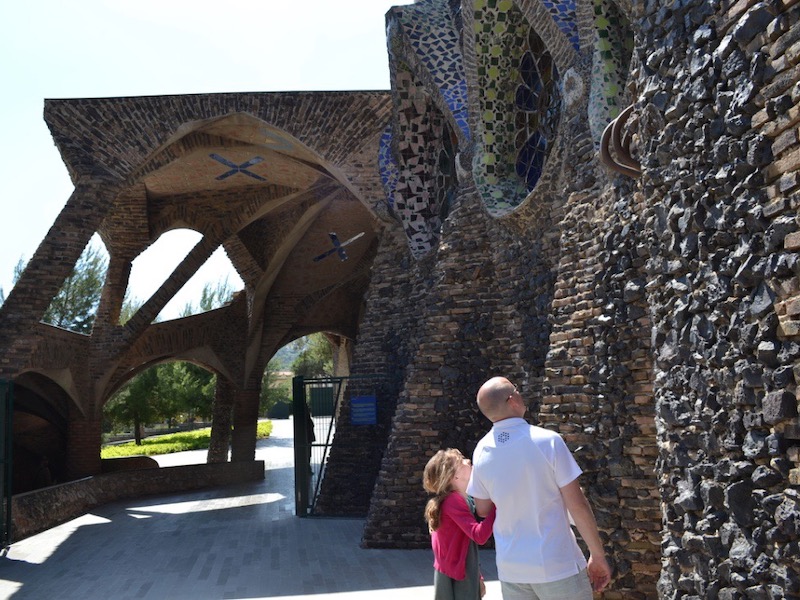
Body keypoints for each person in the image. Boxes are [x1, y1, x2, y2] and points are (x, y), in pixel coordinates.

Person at [467, 377, 612, 599]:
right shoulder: (548, 441)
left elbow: (483, 508)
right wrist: (598, 555)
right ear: (513, 399)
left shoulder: (481, 451)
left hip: (512, 567)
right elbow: (577, 504)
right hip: (556, 563)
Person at [423, 448, 497, 600]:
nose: (468, 461)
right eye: (461, 460)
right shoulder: (454, 501)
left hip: (459, 570)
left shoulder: (463, 498)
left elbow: (464, 542)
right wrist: (498, 504)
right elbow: (479, 536)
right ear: (454, 476)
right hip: (458, 575)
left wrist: (478, 576)